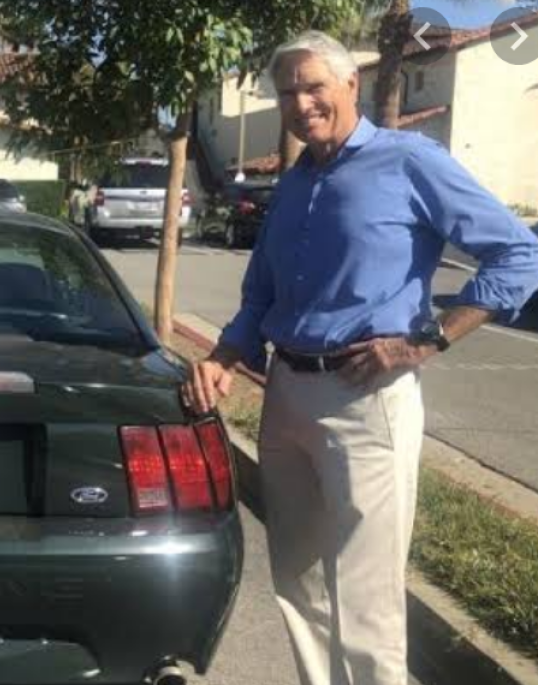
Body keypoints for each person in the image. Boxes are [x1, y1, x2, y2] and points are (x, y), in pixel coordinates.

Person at [183, 31, 538, 685]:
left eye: (314, 85)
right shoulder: (294, 183)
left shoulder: (409, 162)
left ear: (352, 85)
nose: (301, 101)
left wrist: (428, 339)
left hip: (366, 398)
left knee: (366, 598)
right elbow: (261, 291)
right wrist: (225, 355)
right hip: (286, 392)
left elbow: (519, 253)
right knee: (299, 580)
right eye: (288, 90)